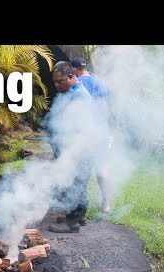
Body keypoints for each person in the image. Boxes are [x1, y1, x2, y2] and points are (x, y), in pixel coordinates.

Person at [43, 61, 97, 233]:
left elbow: (81, 129)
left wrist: (71, 153)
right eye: (55, 82)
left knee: (74, 183)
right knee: (78, 182)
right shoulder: (70, 92)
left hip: (79, 148)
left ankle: (71, 223)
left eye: (60, 81)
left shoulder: (79, 96)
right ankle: (78, 216)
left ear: (72, 76)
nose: (57, 85)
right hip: (74, 148)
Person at [71, 57, 112, 214]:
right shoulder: (101, 82)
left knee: (81, 171)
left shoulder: (76, 84)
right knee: (102, 168)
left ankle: (79, 208)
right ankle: (107, 204)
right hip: (102, 132)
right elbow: (110, 107)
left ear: (75, 69)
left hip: (84, 133)